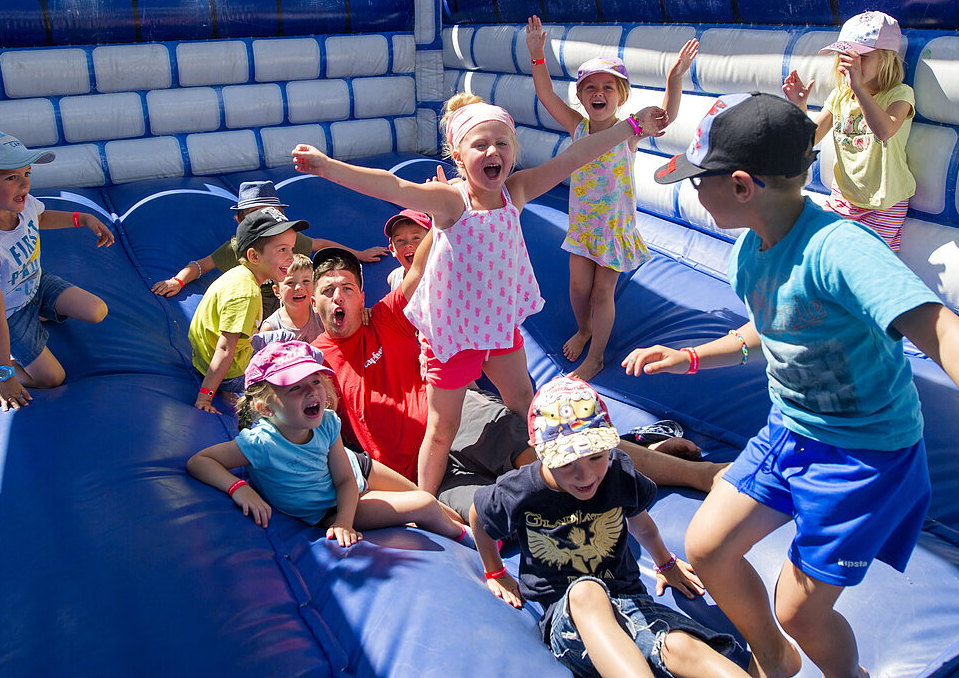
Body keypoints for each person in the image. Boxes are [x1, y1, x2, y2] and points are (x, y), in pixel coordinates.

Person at [625, 92, 959, 678]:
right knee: (708, 546)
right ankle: (772, 653)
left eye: (699, 181)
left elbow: (946, 333)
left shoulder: (840, 250)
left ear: (742, 186)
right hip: (788, 433)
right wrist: (690, 356)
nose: (693, 190)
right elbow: (768, 329)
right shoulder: (751, 249)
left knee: (800, 609)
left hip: (864, 457)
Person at [293, 94, 673, 496]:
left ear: (513, 152)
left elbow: (576, 155)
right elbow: (394, 185)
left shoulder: (517, 190)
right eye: (480, 145)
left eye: (502, 143)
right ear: (458, 158)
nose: (493, 151)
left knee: (526, 401)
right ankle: (426, 501)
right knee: (442, 429)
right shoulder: (452, 202)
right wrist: (327, 167)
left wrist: (631, 127)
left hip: (496, 324)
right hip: (453, 334)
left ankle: (563, 468)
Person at [310, 242, 724, 520]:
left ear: (362, 295)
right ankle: (640, 449)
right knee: (490, 514)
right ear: (314, 302)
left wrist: (446, 208)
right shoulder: (313, 360)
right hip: (420, 471)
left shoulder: (386, 318)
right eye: (328, 290)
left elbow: (419, 270)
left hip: (458, 419)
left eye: (347, 287)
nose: (338, 297)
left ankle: (698, 475)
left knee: (557, 457)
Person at [470, 377, 747, 678]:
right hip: (570, 617)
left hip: (630, 601)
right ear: (542, 455)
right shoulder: (521, 491)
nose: (585, 475)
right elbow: (479, 516)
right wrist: (495, 572)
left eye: (596, 457)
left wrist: (665, 563)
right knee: (586, 591)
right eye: (568, 464)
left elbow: (642, 524)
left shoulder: (616, 472)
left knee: (679, 645)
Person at [526, 15, 697, 381]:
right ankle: (584, 328)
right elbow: (545, 95)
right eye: (590, 88)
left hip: (615, 228)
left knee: (603, 292)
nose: (598, 93)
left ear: (621, 95)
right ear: (581, 96)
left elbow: (665, 115)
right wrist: (537, 55)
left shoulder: (629, 132)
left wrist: (675, 78)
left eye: (607, 87)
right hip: (584, 225)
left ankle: (596, 357)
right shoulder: (577, 126)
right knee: (577, 288)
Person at [186, 341, 465, 546]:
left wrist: (346, 520)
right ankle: (473, 541)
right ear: (266, 409)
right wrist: (239, 488)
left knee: (433, 502)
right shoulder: (262, 443)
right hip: (329, 509)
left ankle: (475, 530)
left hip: (358, 470)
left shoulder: (328, 423)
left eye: (315, 381)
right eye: (295, 387)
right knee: (425, 503)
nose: (311, 391)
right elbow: (200, 461)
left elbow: (345, 478)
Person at [0, 130, 114, 412]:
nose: (24, 184)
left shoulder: (20, 205)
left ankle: (40, 312)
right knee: (52, 378)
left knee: (97, 310)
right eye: (11, 177)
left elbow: (40, 217)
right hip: (10, 312)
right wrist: (4, 377)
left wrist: (82, 218)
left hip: (35, 284)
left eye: (26, 174)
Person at [150, 179, 388, 317]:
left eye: (270, 215)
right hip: (259, 304)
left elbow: (321, 245)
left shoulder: (286, 242)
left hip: (289, 297)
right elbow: (202, 265)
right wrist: (177, 281)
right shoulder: (236, 249)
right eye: (255, 216)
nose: (264, 224)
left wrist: (358, 254)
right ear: (240, 222)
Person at [782, 10, 916, 251]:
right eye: (845, 55)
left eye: (860, 57)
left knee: (868, 266)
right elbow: (808, 140)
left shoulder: (900, 94)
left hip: (883, 205)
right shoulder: (840, 96)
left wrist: (858, 86)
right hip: (843, 199)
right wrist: (799, 108)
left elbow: (884, 131)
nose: (849, 62)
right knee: (822, 254)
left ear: (886, 58)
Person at [187, 207, 307, 414]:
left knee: (287, 336)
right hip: (231, 374)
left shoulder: (238, 274)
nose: (291, 258)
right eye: (282, 250)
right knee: (298, 362)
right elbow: (225, 349)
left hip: (202, 357)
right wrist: (205, 397)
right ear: (254, 256)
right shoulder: (247, 294)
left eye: (291, 249)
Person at [258, 253, 324, 344]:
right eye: (290, 283)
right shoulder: (271, 328)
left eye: (305, 281)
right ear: (277, 291)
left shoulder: (322, 317)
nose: (299, 287)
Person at [383, 208, 430, 293]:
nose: (408, 244)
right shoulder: (394, 277)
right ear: (392, 250)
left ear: (431, 243)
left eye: (416, 238)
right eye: (400, 240)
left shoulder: (439, 276)